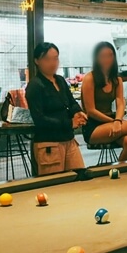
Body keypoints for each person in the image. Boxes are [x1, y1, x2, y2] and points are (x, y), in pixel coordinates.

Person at [81, 42, 127, 162]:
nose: (107, 59)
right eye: (102, 56)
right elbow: (90, 111)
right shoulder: (89, 78)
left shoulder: (116, 79)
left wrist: (118, 120)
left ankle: (118, 173)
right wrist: (114, 121)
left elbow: (120, 103)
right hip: (94, 127)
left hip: (112, 121)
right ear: (96, 58)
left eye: (110, 55)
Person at [26, 42, 87, 175]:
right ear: (37, 61)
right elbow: (39, 119)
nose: (53, 63)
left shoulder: (60, 80)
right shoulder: (34, 85)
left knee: (80, 177)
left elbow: (71, 102)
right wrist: (69, 123)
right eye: (47, 59)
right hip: (49, 145)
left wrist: (78, 112)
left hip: (69, 140)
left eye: (56, 58)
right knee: (55, 186)